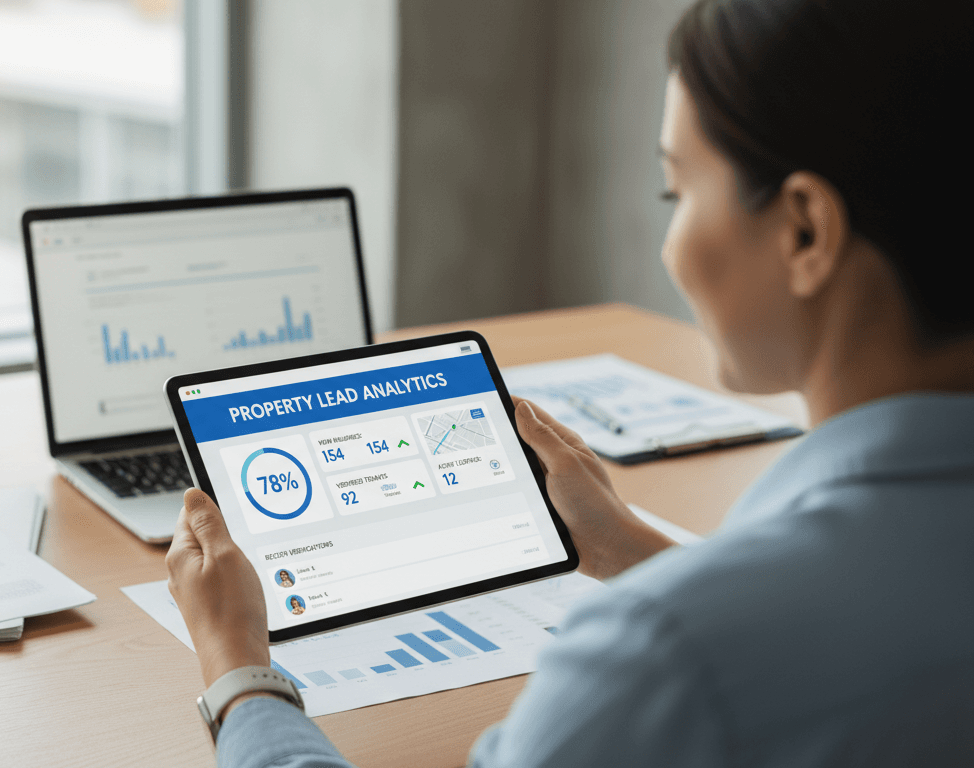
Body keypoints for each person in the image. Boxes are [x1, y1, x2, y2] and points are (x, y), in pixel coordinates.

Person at [165, 1, 974, 765]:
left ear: (805, 229)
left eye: (678, 190)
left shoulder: (655, 660)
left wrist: (237, 668)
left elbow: (726, 647)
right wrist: (638, 554)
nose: (669, 248)